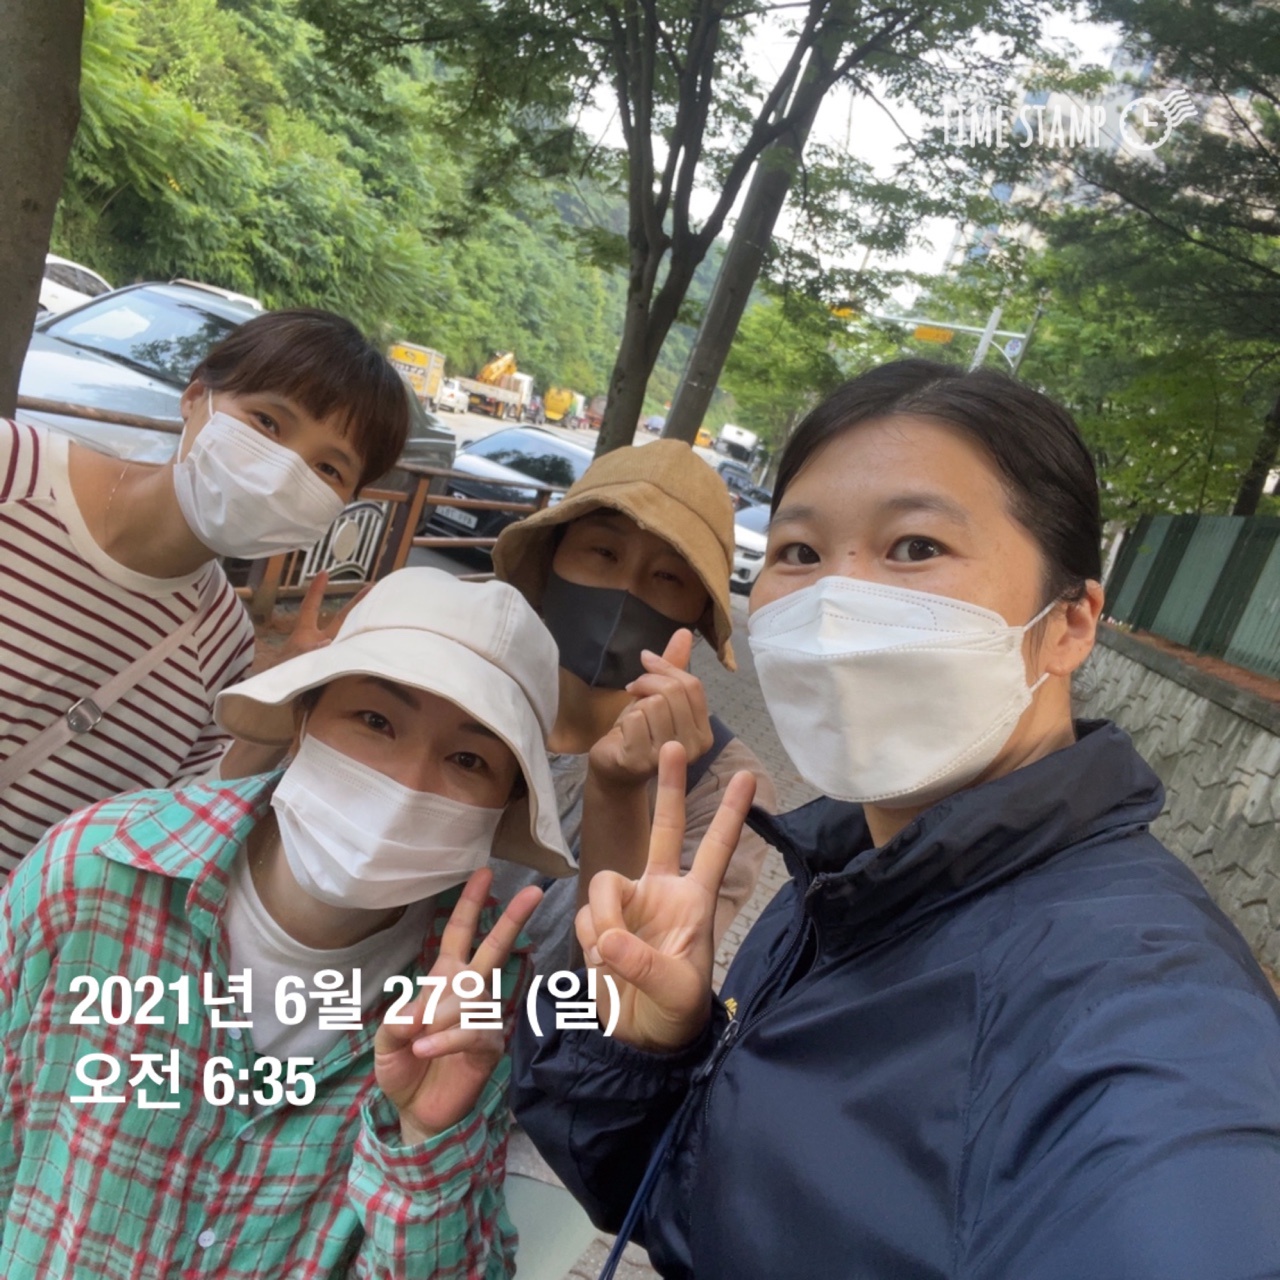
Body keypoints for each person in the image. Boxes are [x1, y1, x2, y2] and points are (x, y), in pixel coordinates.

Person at [513, 360, 1280, 1279]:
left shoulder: (1144, 1017)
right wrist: (650, 1052)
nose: (837, 606)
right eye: (799, 552)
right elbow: (691, 1208)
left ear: (1071, 623)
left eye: (915, 546)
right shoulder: (845, 882)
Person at [0, 567, 573, 1278]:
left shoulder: (477, 1000)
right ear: (303, 718)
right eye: (375, 721)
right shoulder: (94, 870)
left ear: (503, 806)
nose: (406, 786)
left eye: (467, 758)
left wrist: (425, 1146)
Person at [0, 308, 410, 877]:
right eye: (268, 422)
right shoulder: (13, 471)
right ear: (196, 397)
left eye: (328, 468)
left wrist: (281, 703)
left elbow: (172, 825)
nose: (281, 472)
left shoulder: (223, 642)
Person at [488, 439, 777, 974]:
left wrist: (621, 793)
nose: (625, 590)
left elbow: (635, 990)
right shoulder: (467, 687)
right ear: (552, 559)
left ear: (697, 613)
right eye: (603, 552)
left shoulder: (723, 787)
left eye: (668, 576)